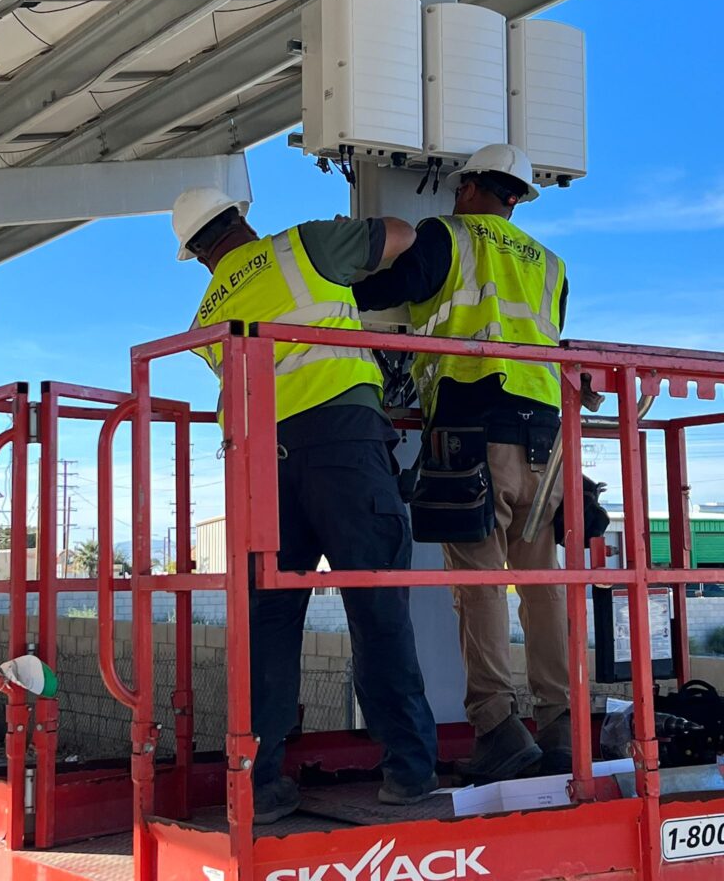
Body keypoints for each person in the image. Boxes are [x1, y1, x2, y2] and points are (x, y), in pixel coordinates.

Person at [172, 186, 438, 824]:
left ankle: (260, 784)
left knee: (269, 621)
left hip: (261, 466)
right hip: (343, 444)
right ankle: (407, 772)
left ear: (198, 255)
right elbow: (402, 234)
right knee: (376, 605)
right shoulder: (302, 246)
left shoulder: (204, 317)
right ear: (242, 219)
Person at [353, 144, 571, 782]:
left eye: (458, 187)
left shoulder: (446, 236)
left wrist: (344, 268)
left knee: (479, 585)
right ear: (516, 199)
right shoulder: (551, 264)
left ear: (473, 187)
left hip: (474, 429)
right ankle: (561, 722)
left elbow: (383, 292)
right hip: (549, 437)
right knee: (543, 585)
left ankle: (498, 726)